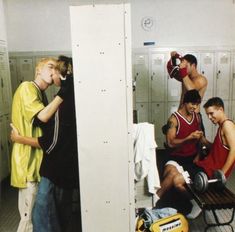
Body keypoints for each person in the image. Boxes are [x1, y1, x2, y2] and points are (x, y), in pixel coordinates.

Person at [10, 56, 81, 232]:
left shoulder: (41, 95)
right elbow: (43, 118)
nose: (54, 70)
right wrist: (63, 92)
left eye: (55, 68)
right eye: (50, 67)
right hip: (28, 163)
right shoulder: (27, 87)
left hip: (39, 162)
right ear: (37, 70)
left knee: (38, 218)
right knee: (29, 220)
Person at [160, 97, 235, 219]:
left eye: (211, 113)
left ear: (221, 109)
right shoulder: (222, 126)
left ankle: (197, 204)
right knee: (171, 170)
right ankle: (165, 201)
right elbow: (217, 148)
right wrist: (203, 141)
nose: (210, 118)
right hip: (204, 165)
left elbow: (234, 150)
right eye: (208, 115)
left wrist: (222, 174)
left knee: (177, 181)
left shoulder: (227, 125)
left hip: (210, 172)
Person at [155, 90, 203, 212]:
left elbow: (200, 140)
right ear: (185, 102)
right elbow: (170, 142)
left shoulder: (197, 117)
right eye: (192, 104)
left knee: (175, 179)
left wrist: (198, 155)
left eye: (197, 104)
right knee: (171, 175)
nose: (195, 107)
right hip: (175, 158)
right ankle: (152, 203)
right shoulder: (174, 119)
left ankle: (196, 204)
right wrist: (188, 138)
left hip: (191, 159)